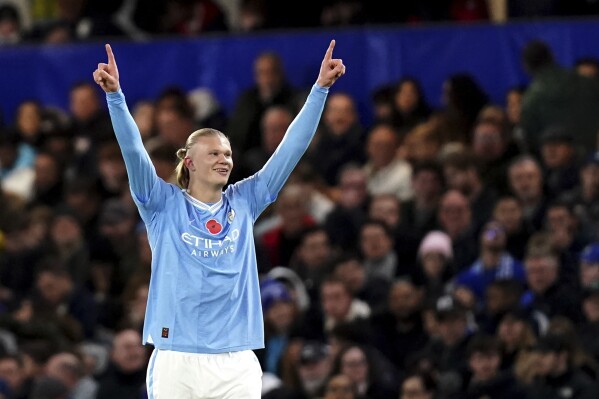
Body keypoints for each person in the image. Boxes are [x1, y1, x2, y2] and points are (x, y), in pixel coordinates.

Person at [93, 40, 345, 398]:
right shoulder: (161, 203)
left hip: (236, 359)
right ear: (190, 161)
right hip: (176, 356)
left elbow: (290, 150)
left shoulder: (245, 200)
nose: (224, 159)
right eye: (213, 152)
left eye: (227, 153)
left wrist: (319, 91)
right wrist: (116, 98)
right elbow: (134, 151)